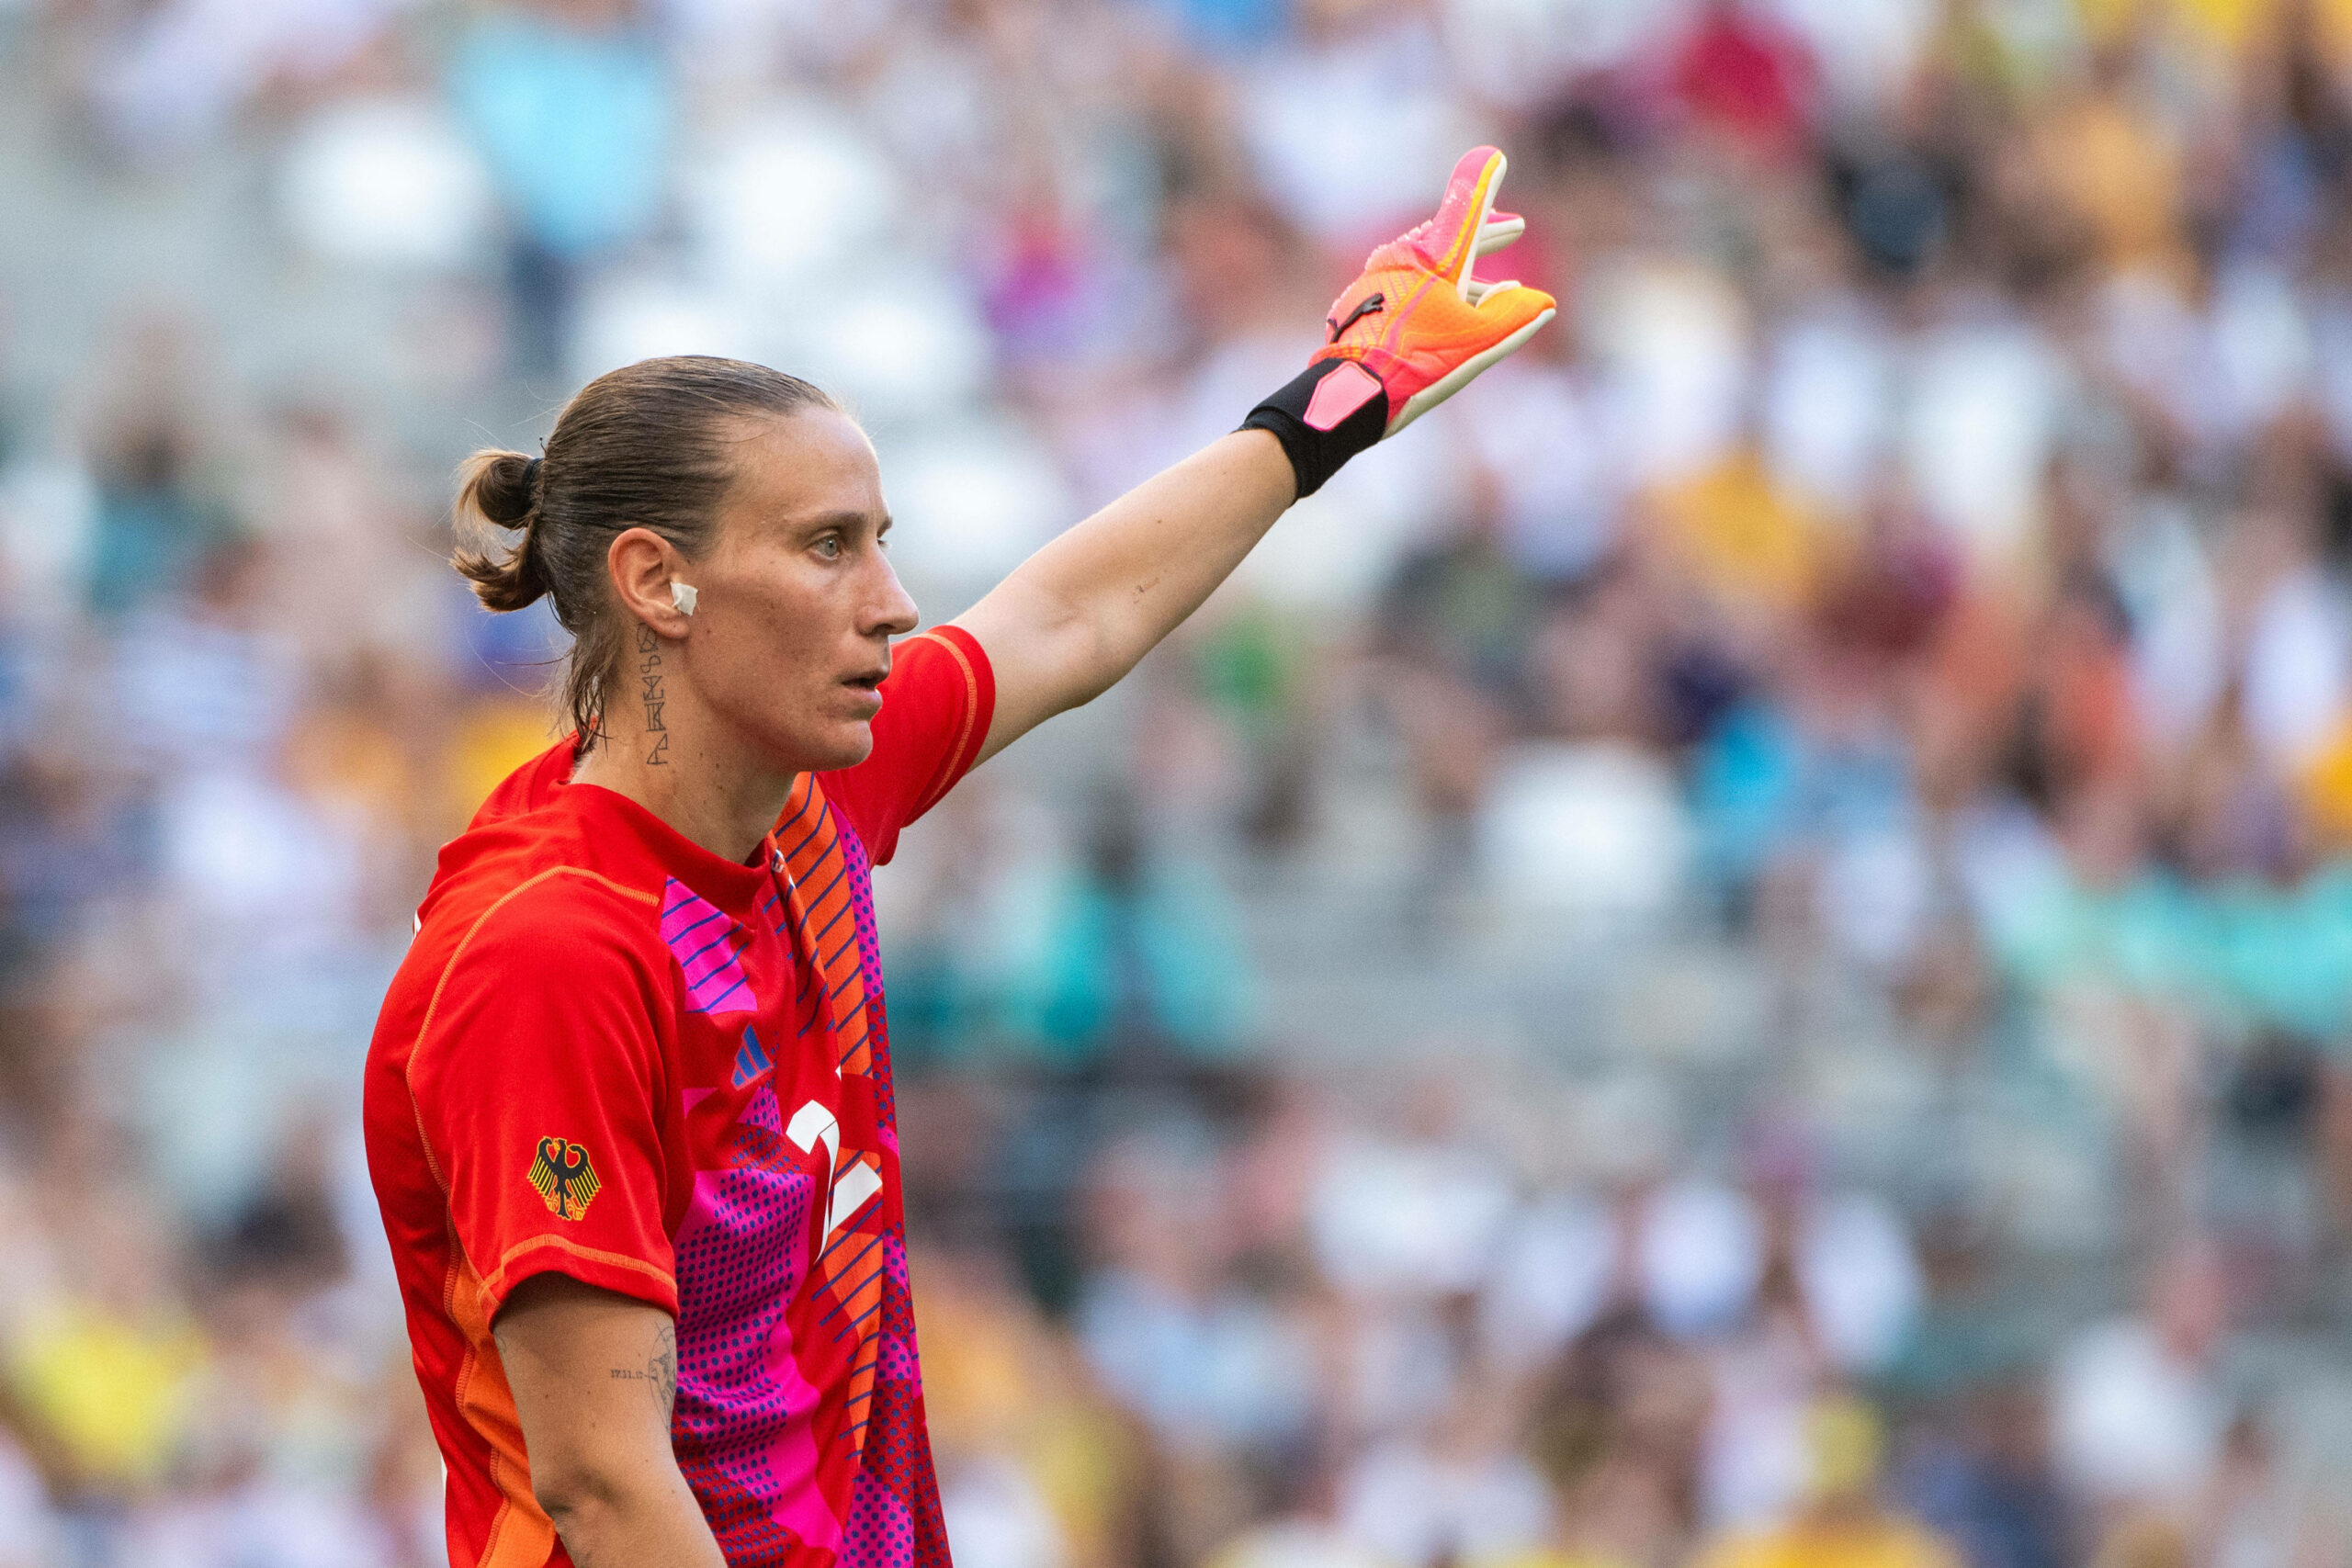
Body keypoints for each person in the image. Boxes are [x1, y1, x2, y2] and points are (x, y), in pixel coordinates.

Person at [362, 149, 1554, 1568]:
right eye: (827, 549)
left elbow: (1065, 619)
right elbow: (605, 1492)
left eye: (882, 543)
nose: (893, 601)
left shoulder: (803, 811)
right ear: (655, 581)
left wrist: (1335, 407)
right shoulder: (554, 953)